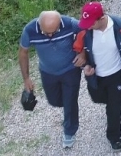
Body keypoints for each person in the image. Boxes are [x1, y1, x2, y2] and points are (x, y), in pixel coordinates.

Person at [73, 2, 121, 152]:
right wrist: (84, 65)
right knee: (96, 98)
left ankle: (114, 137)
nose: (87, 26)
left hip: (116, 74)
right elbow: (77, 51)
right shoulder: (84, 30)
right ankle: (111, 102)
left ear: (101, 17)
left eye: (90, 23)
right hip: (96, 76)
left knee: (114, 109)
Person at [19, 11, 85, 149]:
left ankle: (69, 131)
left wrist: (83, 53)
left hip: (71, 69)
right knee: (54, 101)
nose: (50, 36)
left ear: (59, 23)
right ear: (39, 24)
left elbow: (85, 32)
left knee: (70, 101)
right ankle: (67, 108)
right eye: (46, 32)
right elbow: (23, 52)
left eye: (53, 32)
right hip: (47, 72)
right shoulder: (30, 29)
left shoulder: (68, 23)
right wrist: (26, 78)